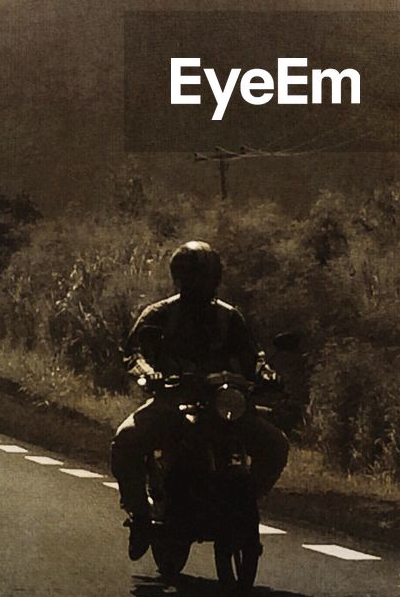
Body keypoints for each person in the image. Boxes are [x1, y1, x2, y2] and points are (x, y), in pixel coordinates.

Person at [110, 240, 290, 560]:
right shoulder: (160, 314)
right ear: (179, 278)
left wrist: (266, 375)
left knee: (275, 444)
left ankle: (246, 501)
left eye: (208, 277)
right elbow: (135, 351)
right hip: (173, 399)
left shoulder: (228, 317)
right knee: (127, 438)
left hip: (223, 403)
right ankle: (139, 515)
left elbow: (253, 357)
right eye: (196, 277)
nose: (204, 284)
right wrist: (149, 373)